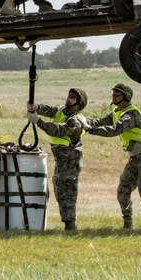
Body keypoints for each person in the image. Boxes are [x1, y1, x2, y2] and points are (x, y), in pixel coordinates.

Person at [82, 82, 141, 230]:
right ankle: (127, 225)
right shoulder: (116, 112)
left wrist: (91, 130)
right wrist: (81, 121)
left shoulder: (130, 115)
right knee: (123, 190)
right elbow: (99, 121)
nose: (113, 96)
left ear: (126, 97)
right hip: (135, 158)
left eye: (117, 94)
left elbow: (114, 130)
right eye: (113, 93)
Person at [30, 87, 88, 231]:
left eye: (74, 97)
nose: (69, 98)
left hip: (70, 160)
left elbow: (58, 130)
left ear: (79, 104)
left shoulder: (76, 121)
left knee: (66, 191)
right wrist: (36, 107)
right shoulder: (62, 111)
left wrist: (38, 121)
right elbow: (50, 110)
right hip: (62, 159)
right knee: (60, 189)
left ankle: (70, 225)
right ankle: (68, 223)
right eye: (69, 95)